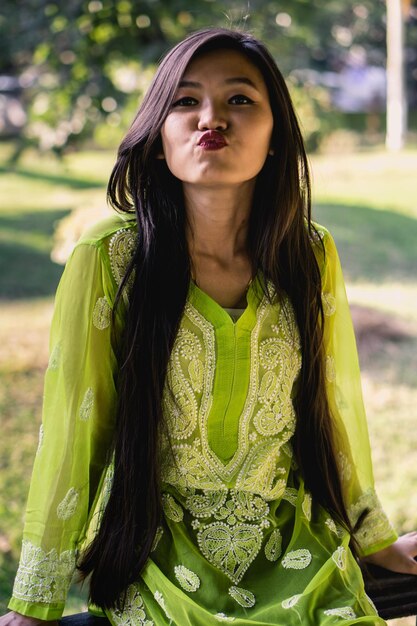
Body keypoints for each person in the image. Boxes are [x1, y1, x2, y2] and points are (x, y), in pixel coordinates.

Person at [2, 27, 417, 626]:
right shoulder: (112, 260)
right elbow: (73, 433)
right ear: (159, 131)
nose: (210, 118)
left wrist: (373, 540)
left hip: (298, 559)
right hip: (160, 567)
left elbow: (331, 409)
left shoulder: (307, 256)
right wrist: (35, 605)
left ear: (276, 135)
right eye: (185, 100)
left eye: (240, 100)